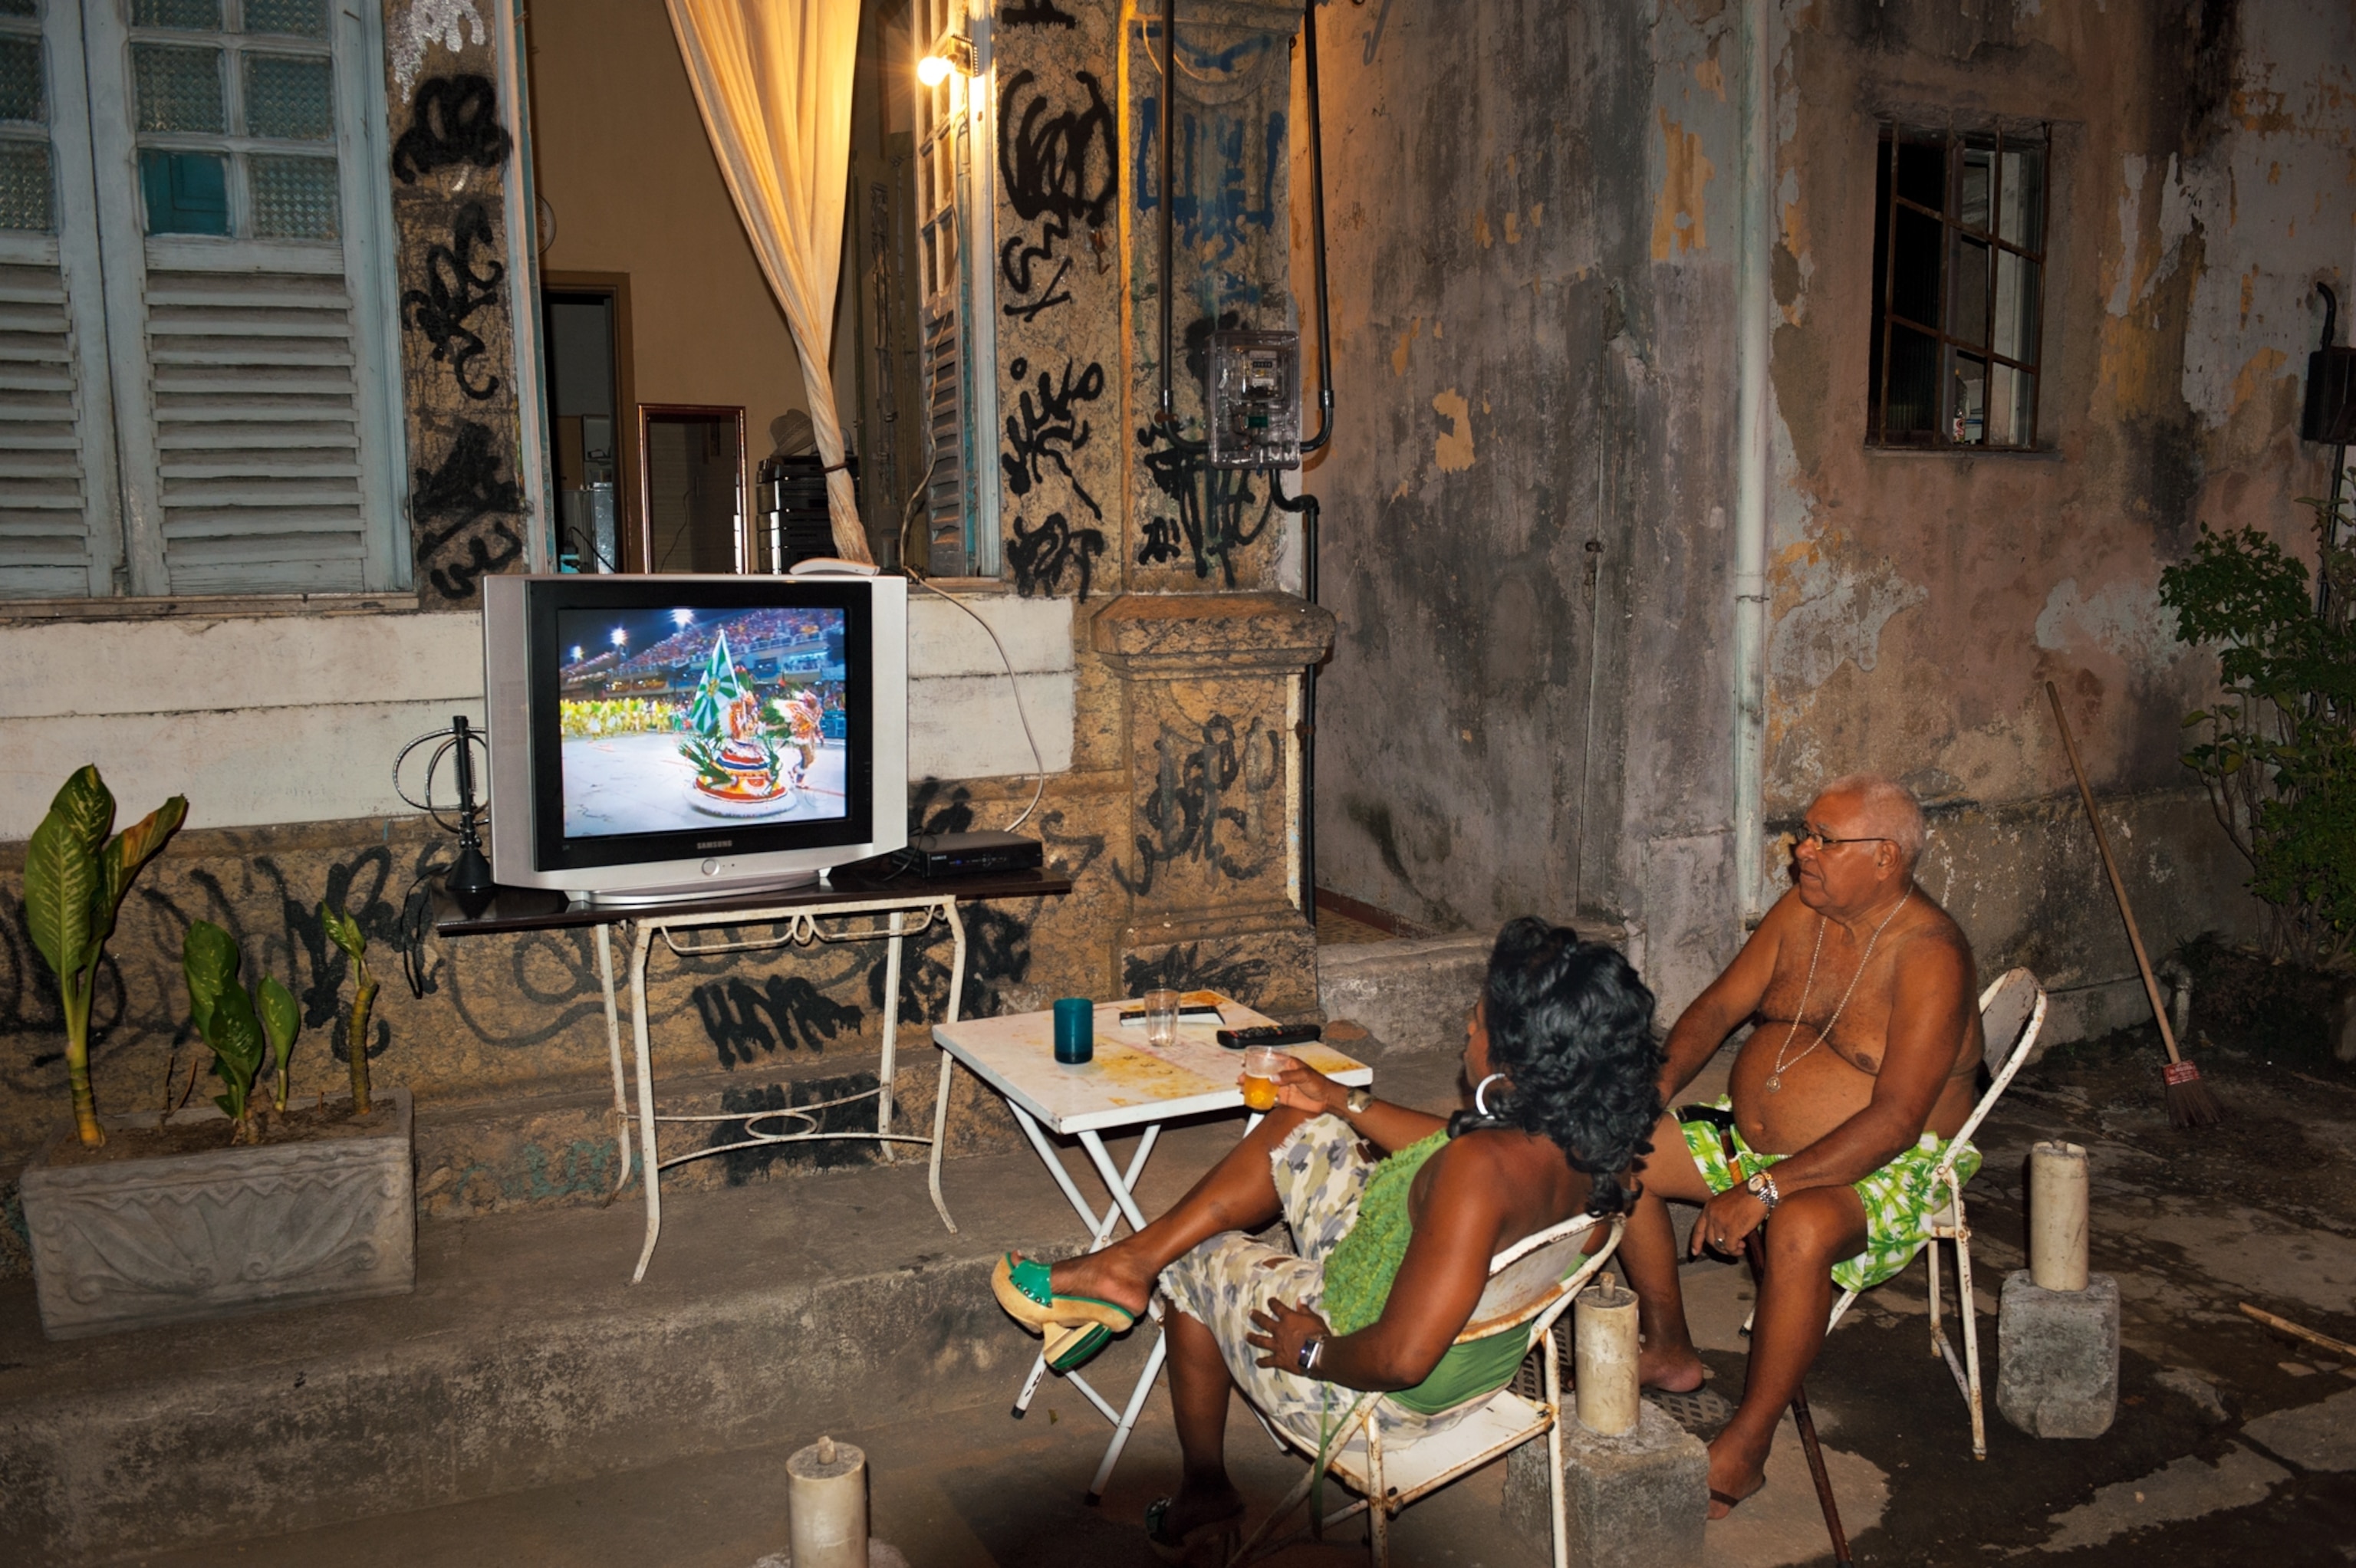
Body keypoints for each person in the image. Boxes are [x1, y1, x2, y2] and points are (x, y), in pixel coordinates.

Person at [988, 919, 1665, 1560]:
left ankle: (1204, 1488)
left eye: (1481, 1014)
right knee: (1299, 1127)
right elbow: (1448, 1146)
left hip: (1372, 1386)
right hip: (1476, 1364)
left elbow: (1401, 1356)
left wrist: (1309, 1348)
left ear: (1517, 1057)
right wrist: (1342, 1101)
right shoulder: (1590, 1145)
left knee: (1195, 1258)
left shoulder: (1479, 1172)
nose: (1468, 1022)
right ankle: (1128, 1265)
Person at [1621, 774, 1983, 1517]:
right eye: (1803, 832)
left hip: (1888, 1161)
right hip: (1756, 1142)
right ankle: (1669, 1346)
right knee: (1613, 1150)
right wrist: (1644, 1095)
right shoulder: (1803, 912)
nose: (1801, 852)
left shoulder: (1930, 956)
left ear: (1885, 856)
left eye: (1823, 838)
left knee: (1800, 1227)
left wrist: (1764, 1189)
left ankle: (1749, 1443)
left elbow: (1895, 1121)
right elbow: (1720, 1005)